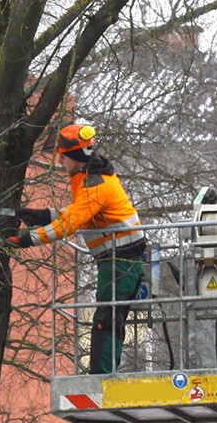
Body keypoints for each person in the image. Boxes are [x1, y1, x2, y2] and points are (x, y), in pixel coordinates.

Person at [10, 124, 145, 374]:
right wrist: (39, 216)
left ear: (77, 156)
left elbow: (70, 223)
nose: (59, 159)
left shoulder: (96, 184)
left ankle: (101, 378)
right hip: (118, 261)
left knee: (107, 320)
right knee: (108, 318)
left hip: (121, 262)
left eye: (62, 154)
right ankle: (102, 375)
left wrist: (29, 239)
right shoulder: (88, 178)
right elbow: (77, 214)